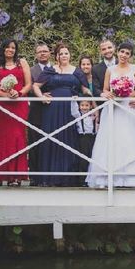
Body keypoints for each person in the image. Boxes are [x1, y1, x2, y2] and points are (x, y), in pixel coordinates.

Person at [87, 42, 135, 188]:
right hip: (113, 109)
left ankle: (131, 178)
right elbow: (105, 89)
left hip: (129, 107)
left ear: (130, 56)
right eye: (122, 52)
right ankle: (108, 177)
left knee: (130, 139)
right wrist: (110, 94)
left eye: (127, 53)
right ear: (118, 52)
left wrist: (127, 94)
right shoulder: (110, 70)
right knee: (111, 139)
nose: (124, 55)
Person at [33, 43, 90, 186]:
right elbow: (35, 86)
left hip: (70, 109)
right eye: (61, 53)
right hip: (52, 109)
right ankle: (50, 177)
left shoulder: (77, 71)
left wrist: (94, 100)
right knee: (52, 138)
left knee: (69, 138)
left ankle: (68, 177)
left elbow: (86, 90)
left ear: (70, 55)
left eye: (66, 53)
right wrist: (41, 97)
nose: (64, 56)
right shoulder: (50, 70)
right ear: (57, 56)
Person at [0, 39, 32, 186]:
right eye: (7, 47)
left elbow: (28, 84)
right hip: (2, 106)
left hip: (19, 104)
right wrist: (6, 95)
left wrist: (19, 93)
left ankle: (15, 175)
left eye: (13, 48)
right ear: (3, 49)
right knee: (1, 137)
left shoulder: (22, 63)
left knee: (17, 136)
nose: (10, 50)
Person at [27, 42, 52, 174]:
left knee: (52, 140)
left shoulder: (57, 68)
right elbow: (28, 87)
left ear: (49, 53)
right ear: (36, 55)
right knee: (35, 141)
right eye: (39, 52)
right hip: (36, 110)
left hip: (53, 108)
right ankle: (34, 174)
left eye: (45, 51)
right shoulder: (31, 70)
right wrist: (40, 95)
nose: (42, 53)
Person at [70, 98, 96, 175]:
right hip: (83, 138)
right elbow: (74, 111)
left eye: (87, 105)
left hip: (92, 137)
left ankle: (90, 175)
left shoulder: (93, 114)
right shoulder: (78, 115)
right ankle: (82, 178)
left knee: (91, 156)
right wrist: (74, 101)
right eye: (82, 105)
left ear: (90, 106)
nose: (84, 107)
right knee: (83, 157)